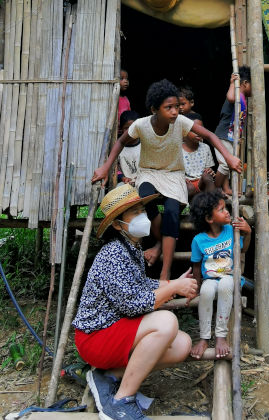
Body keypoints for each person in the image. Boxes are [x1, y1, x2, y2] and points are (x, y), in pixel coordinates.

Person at [92, 79, 242, 280]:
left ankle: (165, 272)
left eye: (177, 107)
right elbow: (120, 141)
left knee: (172, 212)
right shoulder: (141, 125)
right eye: (168, 107)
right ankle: (159, 244)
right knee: (146, 196)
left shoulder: (180, 122)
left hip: (173, 175)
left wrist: (229, 156)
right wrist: (105, 167)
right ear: (155, 109)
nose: (174, 112)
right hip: (149, 173)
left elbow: (210, 136)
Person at [73, 183, 198, 420]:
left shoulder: (131, 249)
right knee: (166, 322)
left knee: (182, 345)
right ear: (119, 224)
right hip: (95, 337)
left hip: (114, 331)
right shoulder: (113, 254)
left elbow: (142, 286)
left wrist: (173, 283)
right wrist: (174, 287)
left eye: (143, 210)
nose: (144, 216)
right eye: (136, 212)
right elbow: (134, 304)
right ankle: (121, 401)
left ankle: (109, 376)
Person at [189, 190, 251, 359]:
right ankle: (204, 337)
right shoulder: (199, 240)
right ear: (209, 219)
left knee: (224, 285)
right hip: (210, 279)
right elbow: (196, 266)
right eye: (222, 209)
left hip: (230, 278)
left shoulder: (231, 230)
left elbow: (243, 250)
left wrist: (248, 232)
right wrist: (195, 287)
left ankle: (221, 336)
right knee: (206, 292)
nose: (227, 212)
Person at [214, 66, 252, 196]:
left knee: (228, 164)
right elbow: (230, 97)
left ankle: (225, 188)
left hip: (230, 136)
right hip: (223, 135)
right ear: (245, 83)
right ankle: (215, 189)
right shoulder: (237, 94)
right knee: (225, 164)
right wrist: (232, 84)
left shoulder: (243, 98)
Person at [182, 113, 216, 200]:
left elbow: (209, 169)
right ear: (184, 131)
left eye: (201, 130)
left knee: (207, 177)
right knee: (189, 188)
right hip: (187, 184)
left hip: (202, 182)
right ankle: (192, 210)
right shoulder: (177, 149)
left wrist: (210, 171)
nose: (198, 133)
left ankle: (212, 206)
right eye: (194, 130)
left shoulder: (205, 147)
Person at [117, 110, 141, 186]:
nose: (130, 131)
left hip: (143, 181)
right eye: (126, 128)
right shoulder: (118, 148)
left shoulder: (144, 144)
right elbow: (115, 169)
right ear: (121, 129)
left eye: (133, 127)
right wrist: (122, 178)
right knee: (119, 187)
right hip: (126, 183)